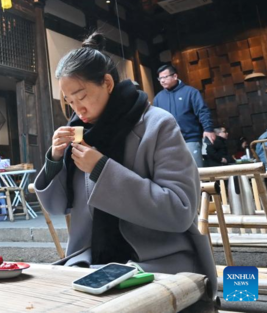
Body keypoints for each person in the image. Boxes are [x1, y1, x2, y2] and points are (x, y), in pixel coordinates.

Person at [35, 33, 217, 297]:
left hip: (156, 261)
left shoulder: (158, 124)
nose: (77, 109)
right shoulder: (79, 133)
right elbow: (56, 207)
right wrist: (54, 160)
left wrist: (101, 169)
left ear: (107, 83)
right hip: (92, 262)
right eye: (69, 101)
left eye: (81, 96)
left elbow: (180, 211)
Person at [153, 64, 215, 167]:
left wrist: (208, 129)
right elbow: (155, 120)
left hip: (191, 139)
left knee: (196, 172)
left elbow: (202, 111)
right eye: (160, 78)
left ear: (175, 76)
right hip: (168, 142)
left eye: (165, 77)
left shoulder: (191, 92)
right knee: (175, 174)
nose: (162, 81)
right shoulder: (158, 98)